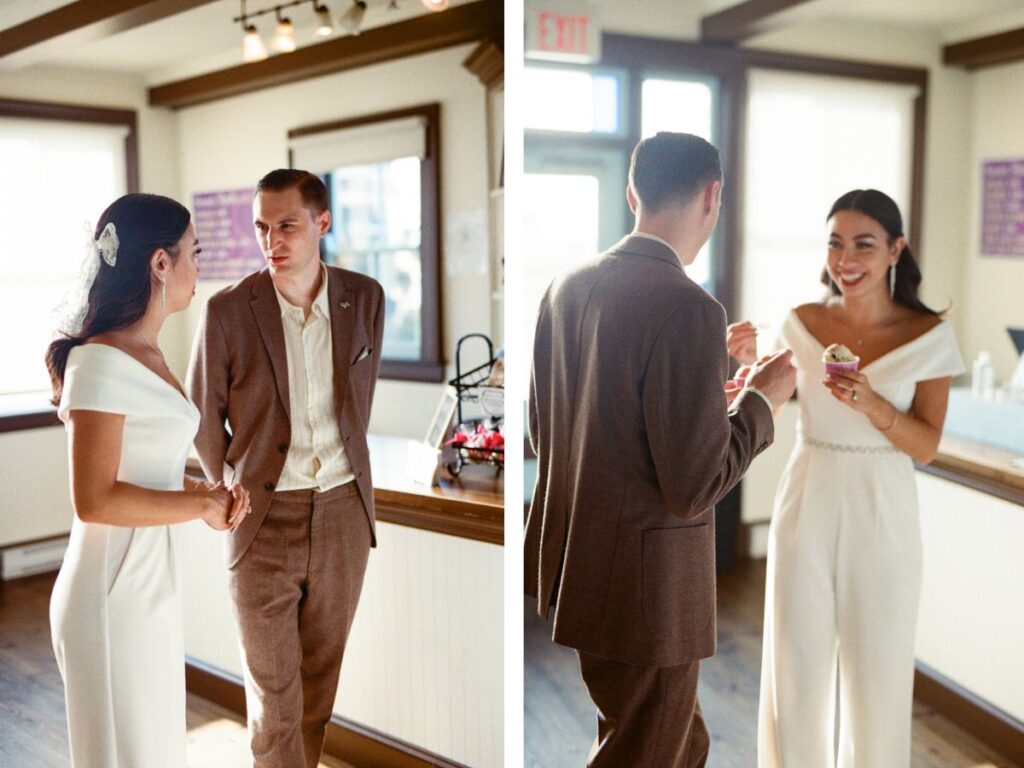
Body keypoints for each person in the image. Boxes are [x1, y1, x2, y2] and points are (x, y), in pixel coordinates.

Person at [525, 132, 797, 767]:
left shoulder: (565, 286)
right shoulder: (689, 307)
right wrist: (761, 402)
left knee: (681, 741)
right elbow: (694, 484)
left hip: (580, 568)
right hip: (649, 591)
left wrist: (706, 392)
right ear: (713, 195)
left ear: (632, 193)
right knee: (646, 751)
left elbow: (551, 429)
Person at [734, 189, 965, 768]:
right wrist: (743, 368)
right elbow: (767, 409)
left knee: (878, 674)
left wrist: (875, 405)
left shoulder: (930, 336)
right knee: (797, 668)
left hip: (883, 510)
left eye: (864, 244)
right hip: (807, 495)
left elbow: (928, 445)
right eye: (836, 244)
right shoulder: (801, 323)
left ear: (896, 250)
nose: (846, 259)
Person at [187, 169, 385, 768]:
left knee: (317, 690)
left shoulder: (365, 297)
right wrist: (229, 486)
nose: (271, 239)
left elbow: (360, 400)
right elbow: (202, 416)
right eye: (262, 227)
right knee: (275, 704)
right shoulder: (227, 311)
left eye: (287, 225)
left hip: (344, 515)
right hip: (262, 519)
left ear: (323, 223)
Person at [45, 193, 250, 767]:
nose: (199, 268)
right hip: (109, 592)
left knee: (156, 750)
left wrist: (202, 493)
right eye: (194, 253)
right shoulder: (99, 362)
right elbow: (94, 499)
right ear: (160, 263)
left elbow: (141, 468)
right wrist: (200, 509)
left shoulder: (149, 353)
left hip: (147, 584)